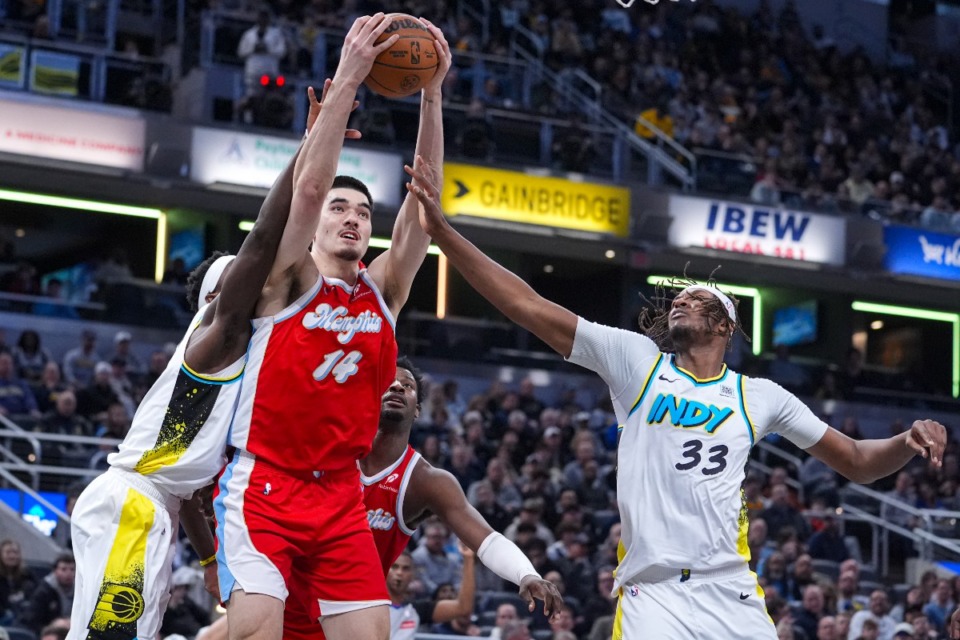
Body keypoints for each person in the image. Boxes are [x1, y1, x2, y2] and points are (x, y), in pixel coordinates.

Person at [406, 164, 948, 640]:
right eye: (679, 298)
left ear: (724, 324)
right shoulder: (637, 362)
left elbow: (855, 460)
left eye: (698, 299)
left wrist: (905, 440)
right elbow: (527, 305)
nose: (681, 300)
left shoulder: (758, 396)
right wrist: (445, 234)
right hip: (654, 594)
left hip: (731, 589)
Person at [65, 75, 359, 640]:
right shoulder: (216, 342)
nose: (268, 288)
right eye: (251, 286)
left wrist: (207, 562)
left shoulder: (240, 366)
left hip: (155, 507)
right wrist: (310, 145)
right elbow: (265, 240)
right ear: (223, 298)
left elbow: (197, 491)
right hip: (134, 505)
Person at [215, 14, 450, 640]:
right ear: (317, 223)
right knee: (255, 631)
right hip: (266, 482)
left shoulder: (381, 294)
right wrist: (348, 77)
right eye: (339, 209)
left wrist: (432, 94)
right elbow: (309, 187)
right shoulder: (287, 281)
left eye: (363, 211)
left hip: (339, 491)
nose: (352, 218)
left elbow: (423, 214)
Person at [281, 357, 562, 638]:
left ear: (417, 410)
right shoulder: (327, 452)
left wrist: (526, 573)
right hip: (283, 600)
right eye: (388, 382)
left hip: (347, 614)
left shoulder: (425, 481)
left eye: (407, 385)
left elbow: (487, 539)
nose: (397, 388)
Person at [385, 547, 474, 638]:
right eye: (394, 567)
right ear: (385, 569)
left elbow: (463, 608)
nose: (399, 572)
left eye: (405, 568)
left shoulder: (415, 610)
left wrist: (468, 557)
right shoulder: (372, 604)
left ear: (413, 575)